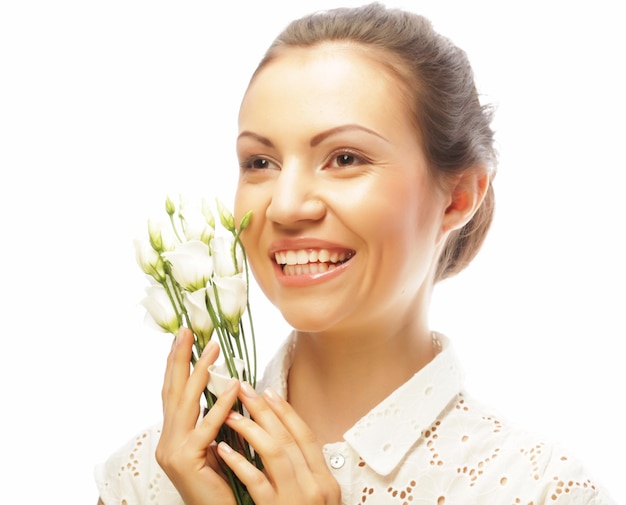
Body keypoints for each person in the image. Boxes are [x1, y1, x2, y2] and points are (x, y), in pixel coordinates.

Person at [95, 3, 615, 504]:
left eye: (344, 158)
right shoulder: (147, 478)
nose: (286, 205)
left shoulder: (538, 490)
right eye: (260, 161)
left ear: (458, 197)